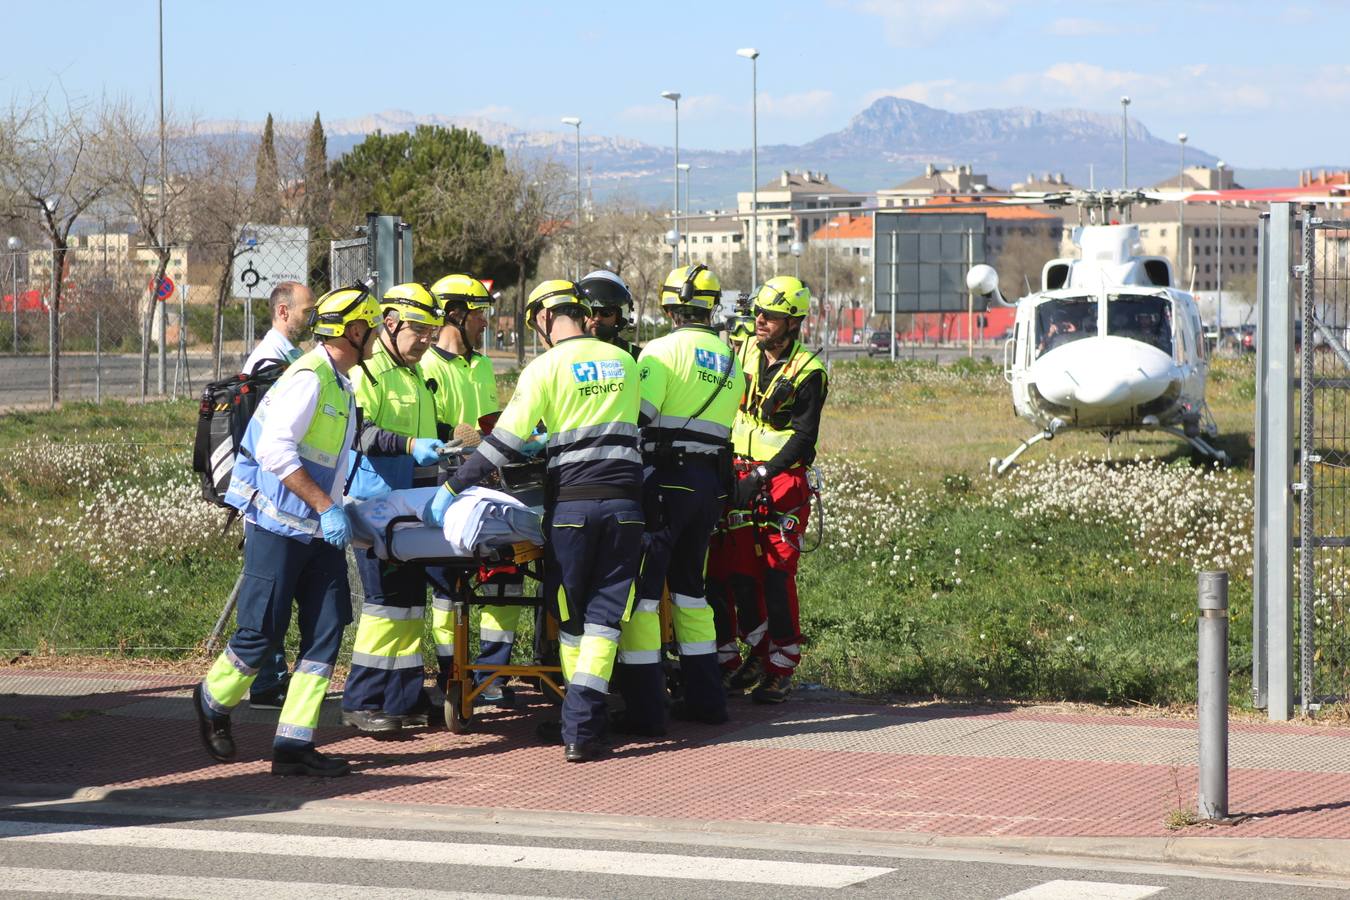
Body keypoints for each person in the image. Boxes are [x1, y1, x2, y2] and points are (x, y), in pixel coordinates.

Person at [422, 279, 643, 762]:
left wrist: (453, 488)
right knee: (606, 620)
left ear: (544, 319)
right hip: (626, 508)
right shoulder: (624, 362)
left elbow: (503, 444)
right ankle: (584, 724)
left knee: (570, 615)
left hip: (572, 511)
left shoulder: (546, 367)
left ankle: (576, 726)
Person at [193, 284, 379, 776]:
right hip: (277, 525)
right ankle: (212, 700)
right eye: (373, 329)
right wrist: (327, 506)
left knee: (326, 631)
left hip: (317, 529)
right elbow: (276, 452)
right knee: (260, 635)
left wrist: (339, 503)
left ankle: (294, 744)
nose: (377, 337)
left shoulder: (341, 382)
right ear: (354, 331)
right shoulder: (310, 377)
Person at [611, 264, 743, 736]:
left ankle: (646, 708)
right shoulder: (731, 360)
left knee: (645, 597)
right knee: (691, 593)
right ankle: (708, 700)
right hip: (708, 487)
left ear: (669, 308)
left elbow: (637, 417)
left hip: (664, 483)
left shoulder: (661, 353)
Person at [713, 275, 827, 705]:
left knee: (777, 576)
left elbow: (804, 439)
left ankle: (783, 665)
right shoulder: (742, 350)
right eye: (758, 312)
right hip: (739, 474)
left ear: (793, 322)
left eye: (771, 315)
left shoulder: (810, 372)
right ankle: (759, 654)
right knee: (738, 575)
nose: (759, 320)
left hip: (781, 482)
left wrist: (761, 477)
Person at [340, 282, 446, 733]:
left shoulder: (415, 374)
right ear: (390, 323)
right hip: (373, 507)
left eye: (432, 331)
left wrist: (468, 439)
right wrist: (409, 445)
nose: (427, 340)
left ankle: (402, 697)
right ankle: (361, 700)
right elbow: (361, 434)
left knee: (408, 605)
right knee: (383, 605)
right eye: (419, 330)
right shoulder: (369, 372)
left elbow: (425, 429)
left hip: (410, 509)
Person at [419, 273, 514, 705]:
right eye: (479, 313)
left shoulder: (481, 364)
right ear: (454, 313)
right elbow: (424, 428)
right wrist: (454, 434)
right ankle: (450, 673)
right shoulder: (427, 366)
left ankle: (494, 672)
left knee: (505, 580)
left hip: (492, 484)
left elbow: (492, 422)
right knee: (447, 588)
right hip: (447, 487)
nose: (485, 322)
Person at [237, 281, 317, 711]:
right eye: (306, 310)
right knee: (270, 594)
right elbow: (274, 439)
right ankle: (264, 682)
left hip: (286, 496)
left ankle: (271, 677)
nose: (312, 316)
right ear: (283, 312)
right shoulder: (270, 362)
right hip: (273, 497)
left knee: (280, 590)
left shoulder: (288, 358)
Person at [581, 270, 641, 359]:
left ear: (619, 317)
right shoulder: (563, 356)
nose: (597, 318)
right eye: (591, 311)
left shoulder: (638, 357)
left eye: (606, 312)